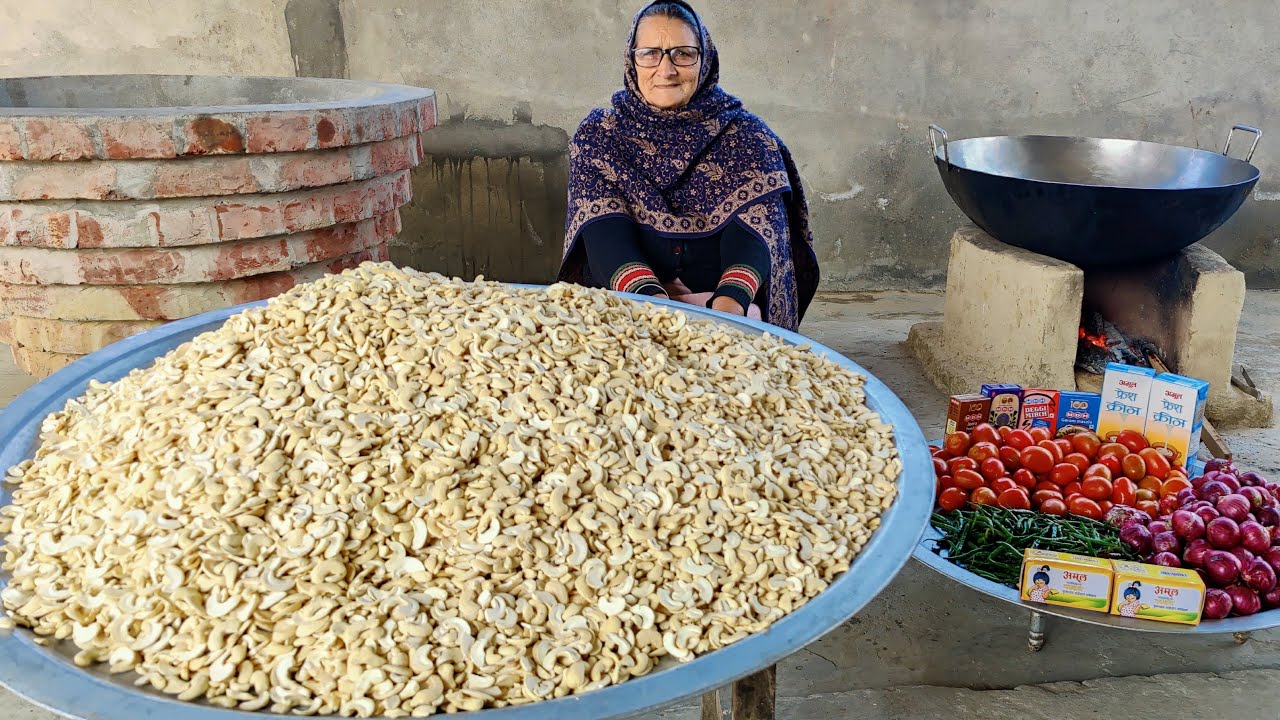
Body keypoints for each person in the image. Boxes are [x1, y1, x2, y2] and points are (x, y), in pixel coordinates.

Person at [556, 0, 819, 331]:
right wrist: (653, 302)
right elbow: (603, 231)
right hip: (628, 298)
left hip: (718, 300)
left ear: (704, 58)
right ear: (631, 59)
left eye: (683, 53)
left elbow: (756, 230)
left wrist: (725, 309)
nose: (665, 70)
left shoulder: (747, 136)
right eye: (650, 53)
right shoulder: (601, 134)